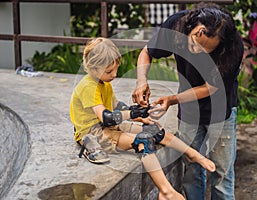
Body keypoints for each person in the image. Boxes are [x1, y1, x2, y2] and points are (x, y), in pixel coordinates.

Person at [69, 37, 216, 200]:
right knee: (143, 141)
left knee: (155, 130)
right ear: (93, 68)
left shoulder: (104, 82)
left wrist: (140, 114)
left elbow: (117, 106)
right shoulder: (88, 86)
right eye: (109, 71)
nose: (115, 75)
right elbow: (106, 118)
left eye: (116, 69)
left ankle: (192, 153)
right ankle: (166, 191)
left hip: (109, 127)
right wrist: (133, 115)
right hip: (95, 132)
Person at [132, 3, 244, 200]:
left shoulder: (233, 46)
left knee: (222, 172)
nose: (198, 53)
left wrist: (172, 99)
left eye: (206, 52)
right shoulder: (176, 25)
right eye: (195, 44)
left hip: (221, 109)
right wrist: (141, 81)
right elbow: (147, 52)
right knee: (191, 168)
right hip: (190, 108)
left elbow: (211, 87)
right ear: (197, 29)